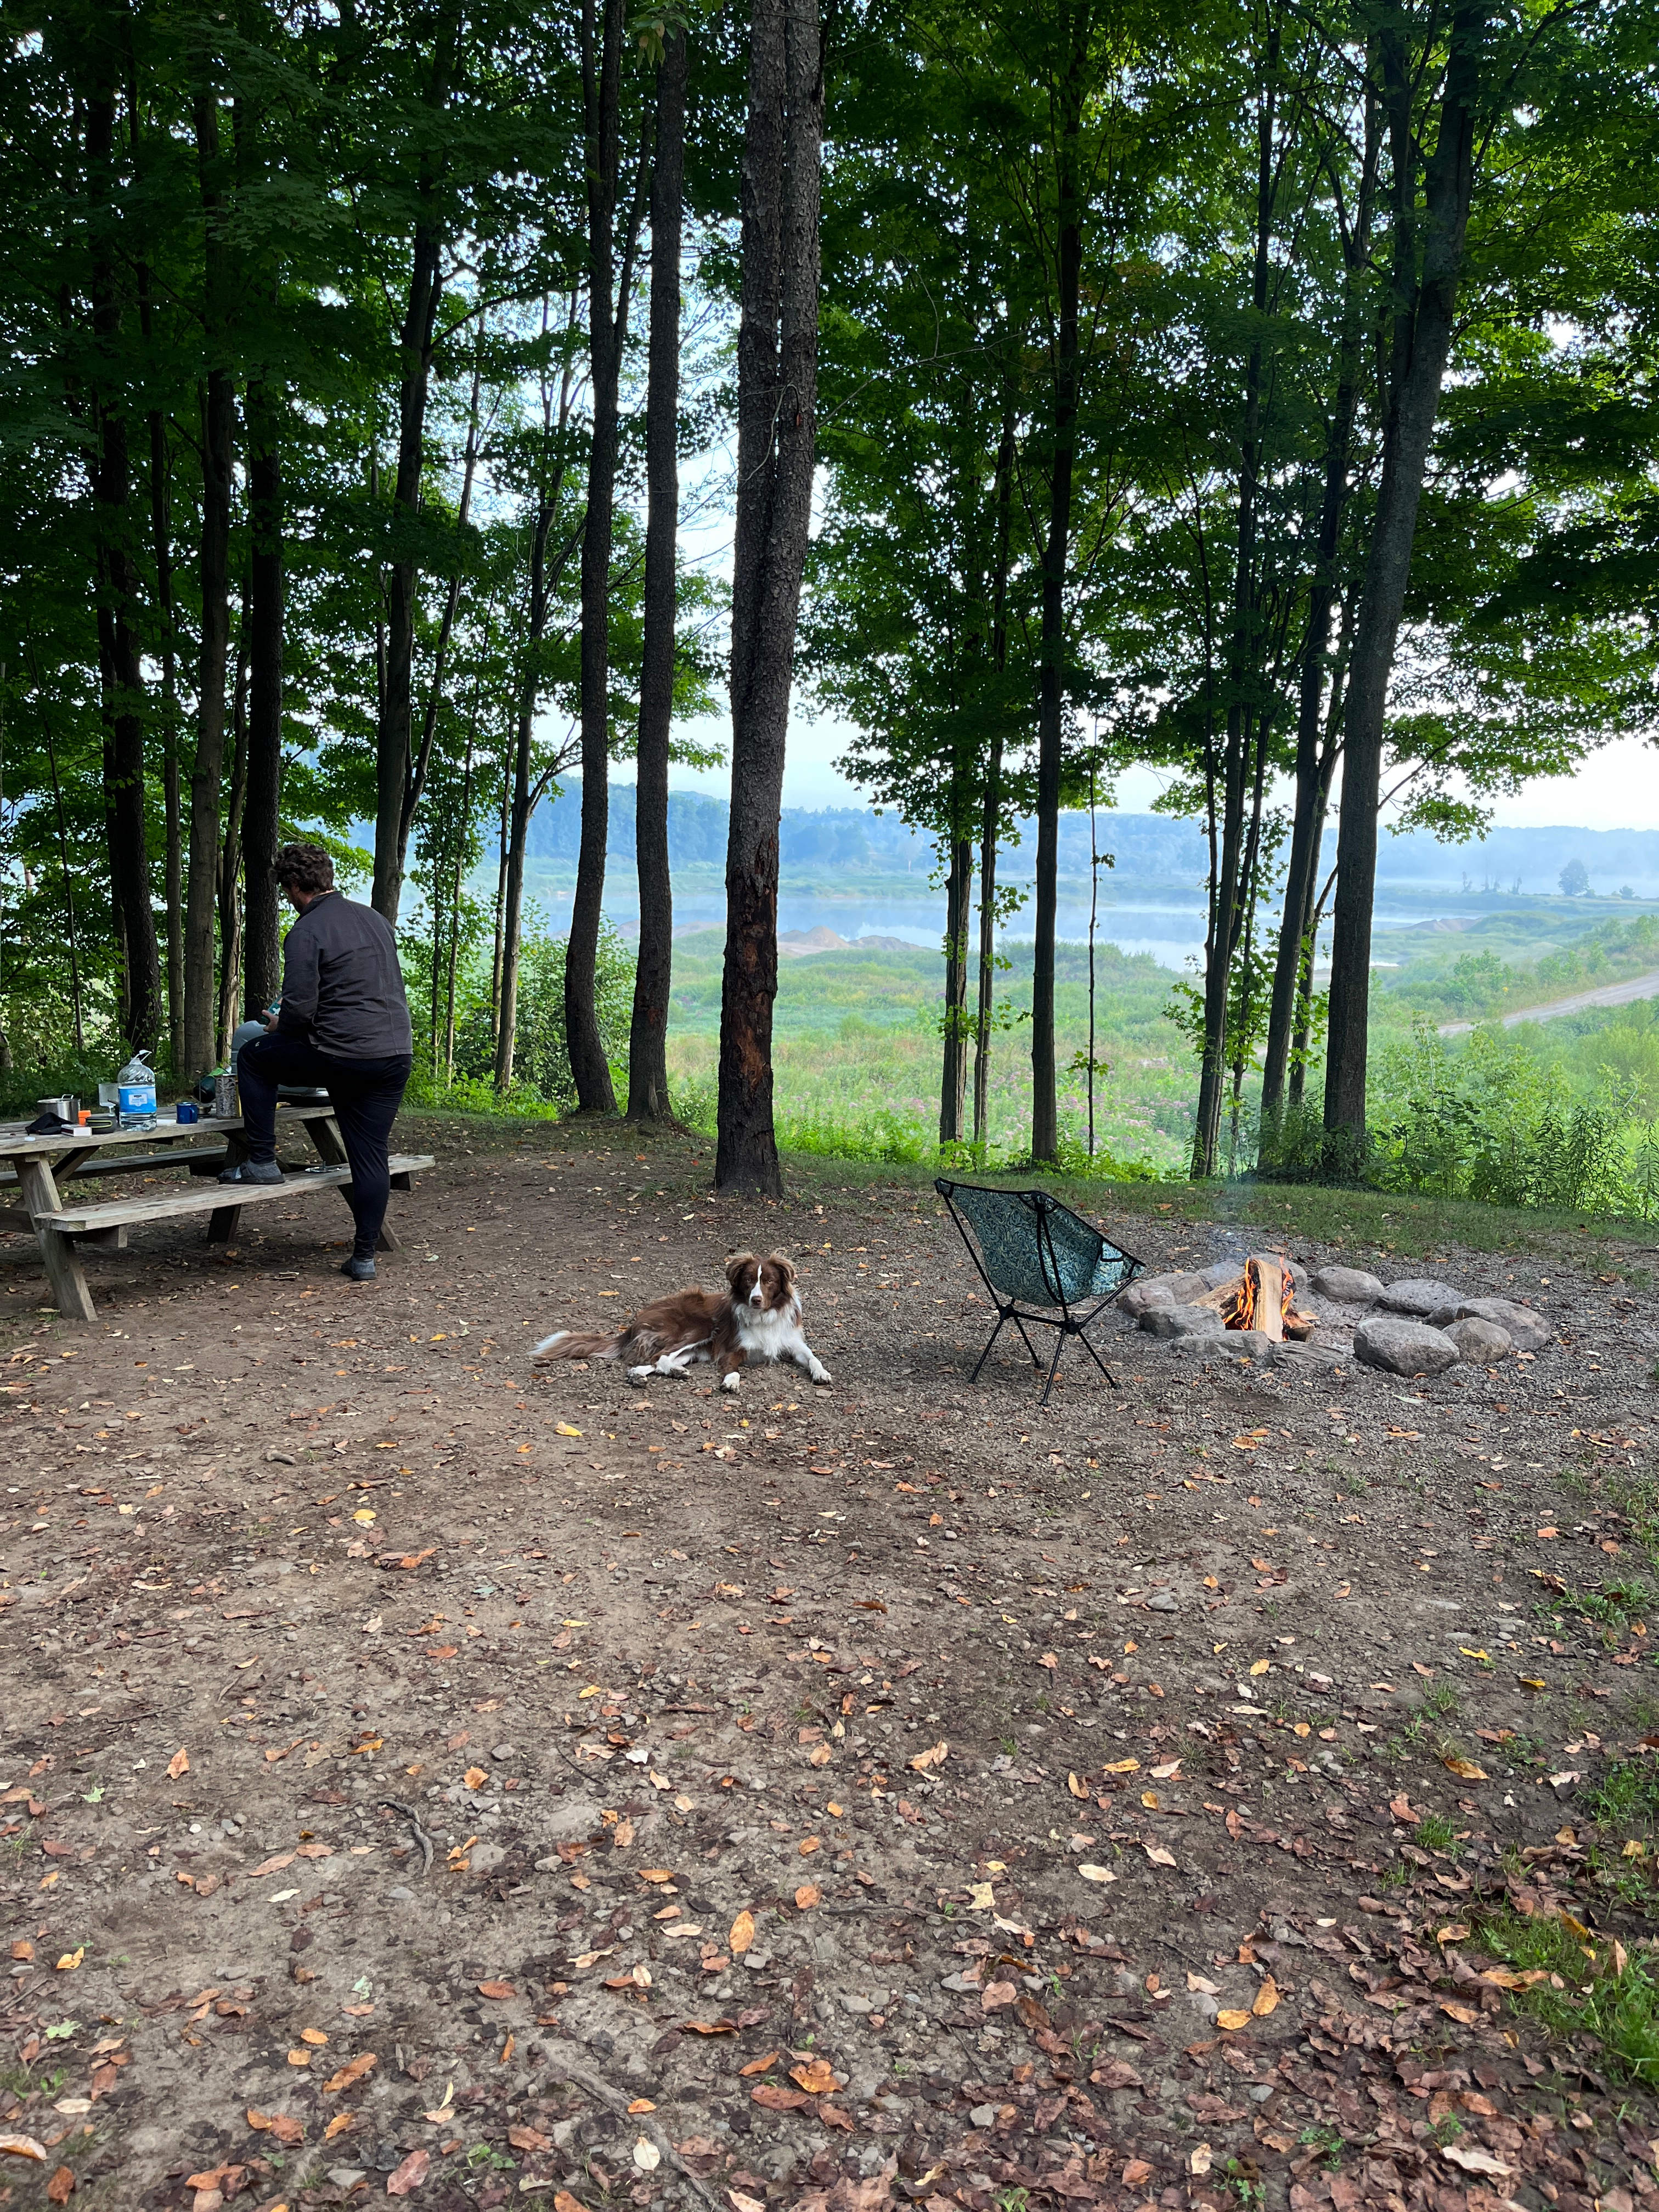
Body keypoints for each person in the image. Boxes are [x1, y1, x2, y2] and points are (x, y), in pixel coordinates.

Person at [220, 843, 414, 1282]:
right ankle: (364, 1257)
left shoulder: (307, 931)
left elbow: (301, 1010)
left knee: (253, 1057)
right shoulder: (374, 920)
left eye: (286, 890)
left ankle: (262, 1162)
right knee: (371, 1154)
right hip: (394, 1054)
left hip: (343, 1054)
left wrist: (278, 1026)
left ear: (293, 886)